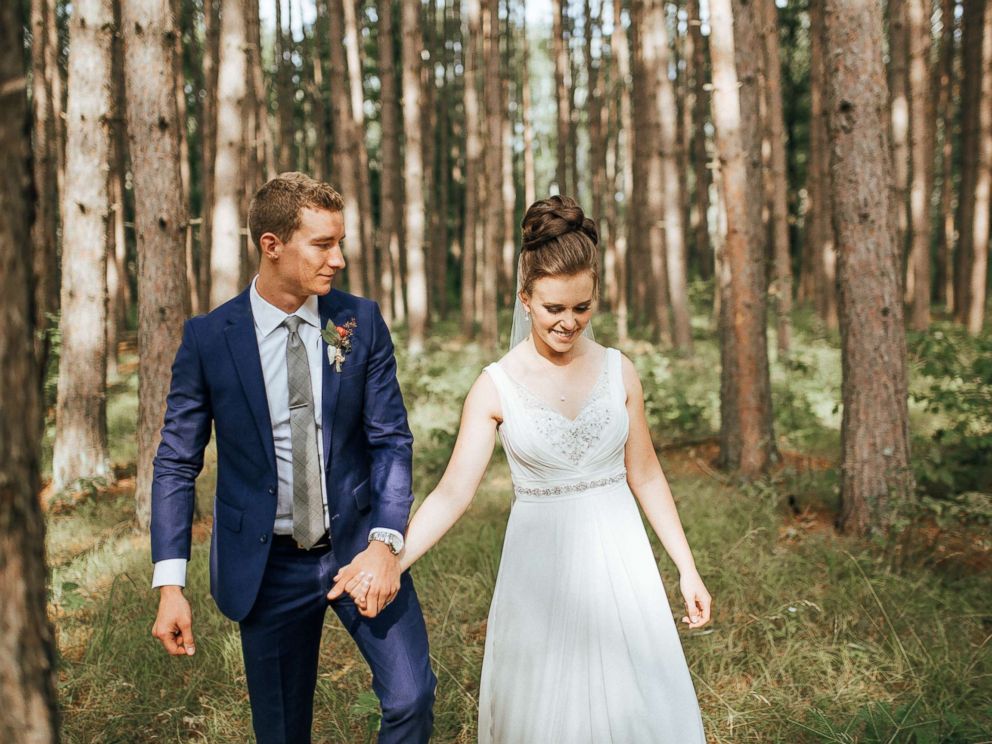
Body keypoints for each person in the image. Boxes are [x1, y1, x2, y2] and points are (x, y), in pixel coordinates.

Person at [337, 195, 710, 742]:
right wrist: (390, 559)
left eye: (582, 308)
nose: (569, 322)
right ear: (525, 300)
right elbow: (452, 493)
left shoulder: (619, 371)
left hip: (622, 563)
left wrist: (687, 567)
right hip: (541, 572)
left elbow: (647, 475)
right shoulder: (496, 386)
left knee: (636, 708)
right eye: (554, 308)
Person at [149, 172, 436, 744]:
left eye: (341, 242)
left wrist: (385, 543)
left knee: (411, 697)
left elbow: (391, 441)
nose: (340, 260)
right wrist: (170, 584)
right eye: (323, 244)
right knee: (281, 732)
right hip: (267, 565)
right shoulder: (209, 339)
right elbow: (177, 461)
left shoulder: (359, 322)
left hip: (357, 545)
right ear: (272, 245)